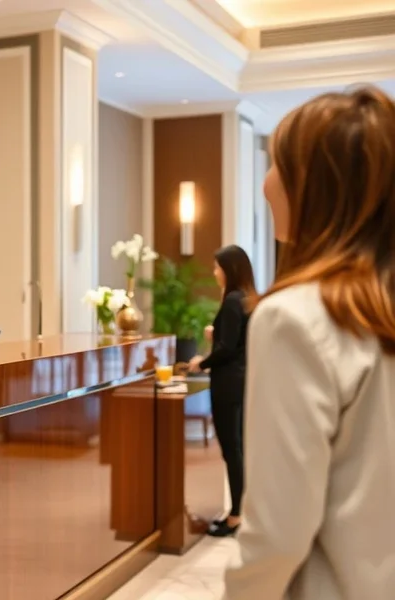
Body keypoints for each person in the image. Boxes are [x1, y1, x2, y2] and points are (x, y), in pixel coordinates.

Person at [223, 85, 395, 599]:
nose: (266, 184)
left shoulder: (294, 320)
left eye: (276, 164)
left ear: (313, 186)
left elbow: (277, 534)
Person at [188, 244, 257, 537]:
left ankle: (235, 517)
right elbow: (238, 340)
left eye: (217, 267)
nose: (214, 273)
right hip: (241, 381)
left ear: (229, 269)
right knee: (238, 448)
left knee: (232, 450)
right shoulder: (246, 299)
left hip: (227, 383)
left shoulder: (231, 301)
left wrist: (201, 362)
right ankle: (240, 513)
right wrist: (215, 334)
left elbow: (228, 349)